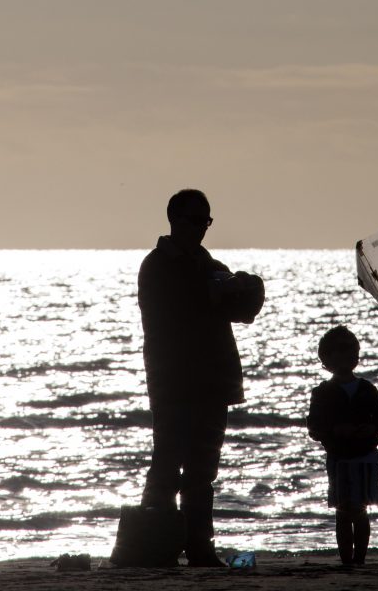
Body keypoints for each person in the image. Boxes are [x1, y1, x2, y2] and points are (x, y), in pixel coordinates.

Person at [137, 188, 264, 566]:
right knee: (167, 465)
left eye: (206, 221)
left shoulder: (210, 265)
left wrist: (246, 285)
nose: (201, 228)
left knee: (202, 470)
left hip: (212, 383)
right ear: (174, 220)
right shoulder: (156, 266)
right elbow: (181, 306)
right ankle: (153, 545)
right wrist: (220, 290)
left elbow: (245, 308)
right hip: (173, 382)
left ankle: (199, 547)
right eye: (195, 220)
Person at [306, 325, 378, 566]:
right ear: (326, 359)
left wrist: (371, 428)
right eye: (339, 350)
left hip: (365, 457)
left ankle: (359, 559)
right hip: (339, 459)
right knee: (343, 511)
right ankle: (346, 560)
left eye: (351, 349)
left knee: (360, 510)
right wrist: (335, 430)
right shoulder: (322, 392)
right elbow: (314, 427)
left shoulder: (367, 389)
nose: (346, 355)